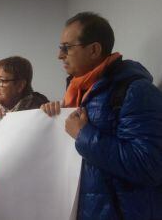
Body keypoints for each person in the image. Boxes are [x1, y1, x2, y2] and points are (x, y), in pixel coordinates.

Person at [41, 12, 162, 219]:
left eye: (66, 48)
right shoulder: (78, 92)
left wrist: (84, 135)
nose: (59, 55)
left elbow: (149, 166)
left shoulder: (136, 91)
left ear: (94, 50)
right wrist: (54, 117)